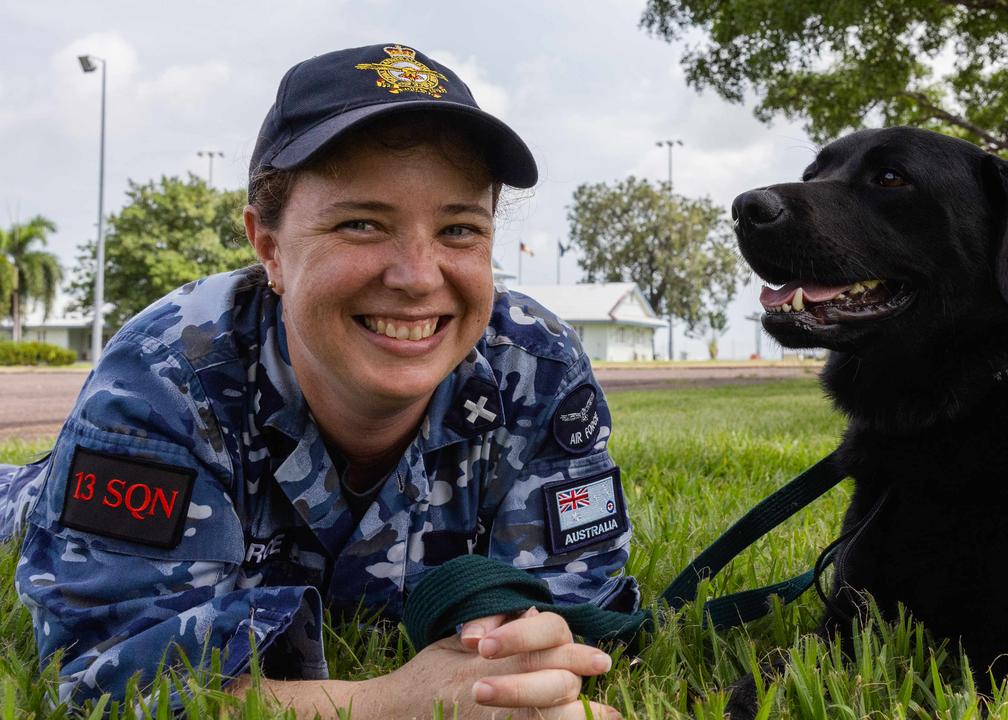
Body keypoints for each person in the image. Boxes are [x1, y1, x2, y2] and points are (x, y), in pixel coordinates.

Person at [0, 43, 635, 719]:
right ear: (269, 246)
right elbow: (111, 678)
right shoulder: (165, 374)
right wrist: (393, 703)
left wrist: (522, 650)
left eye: (458, 228)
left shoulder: (537, 368)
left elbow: (576, 600)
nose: (418, 277)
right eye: (361, 223)